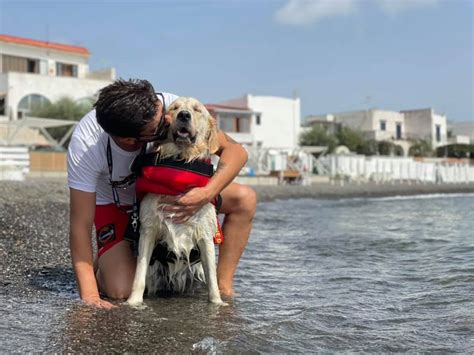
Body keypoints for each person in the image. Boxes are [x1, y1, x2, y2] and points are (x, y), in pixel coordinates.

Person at [67, 79, 256, 309]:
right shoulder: (86, 145)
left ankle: (223, 286)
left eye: (163, 112)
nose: (170, 120)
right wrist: (90, 297)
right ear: (131, 140)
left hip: (173, 188)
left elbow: (236, 151)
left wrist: (207, 192)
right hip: (118, 205)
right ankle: (108, 258)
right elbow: (80, 224)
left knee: (245, 199)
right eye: (159, 127)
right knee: (120, 290)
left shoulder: (168, 107)